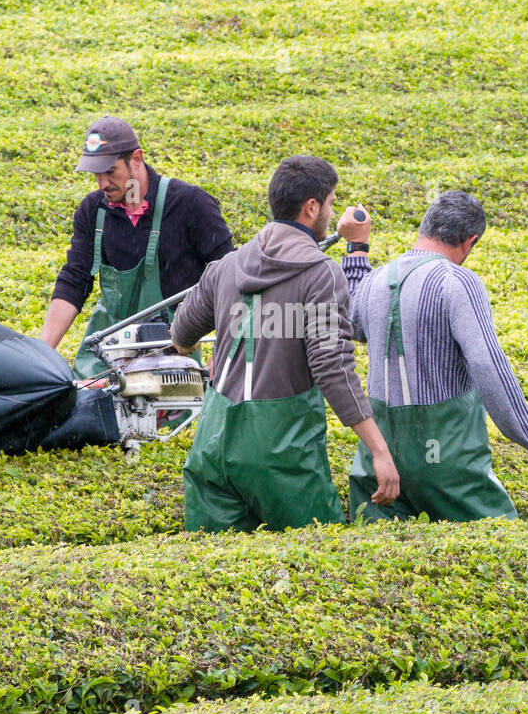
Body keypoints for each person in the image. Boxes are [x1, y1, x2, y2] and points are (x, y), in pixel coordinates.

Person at [171, 155, 399, 532]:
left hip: (213, 447)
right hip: (281, 454)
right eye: (328, 202)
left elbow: (181, 333)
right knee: (317, 566)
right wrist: (379, 449)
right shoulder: (321, 275)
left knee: (217, 573)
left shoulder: (225, 267)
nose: (329, 210)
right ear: (312, 207)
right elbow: (333, 367)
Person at [346, 190, 528, 522]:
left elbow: (353, 322)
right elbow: (487, 364)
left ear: (424, 226)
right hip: (444, 457)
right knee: (497, 542)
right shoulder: (458, 281)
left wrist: (356, 252)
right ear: (469, 241)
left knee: (381, 559)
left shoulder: (375, 280)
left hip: (380, 458)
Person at [40, 116, 234, 380]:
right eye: (96, 174)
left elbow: (230, 279)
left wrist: (223, 353)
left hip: (172, 359)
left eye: (110, 172)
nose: (102, 183)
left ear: (136, 159)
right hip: (107, 357)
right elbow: (74, 280)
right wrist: (41, 353)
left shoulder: (189, 205)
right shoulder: (93, 211)